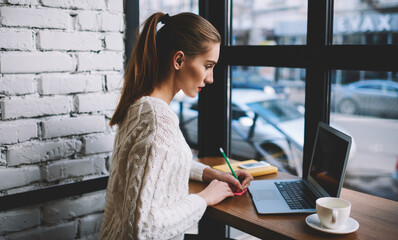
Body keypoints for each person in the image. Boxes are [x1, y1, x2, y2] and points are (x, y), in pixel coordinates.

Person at [99, 12, 253, 240]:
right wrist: (205, 198)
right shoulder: (158, 121)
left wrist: (211, 174)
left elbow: (156, 166)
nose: (210, 78)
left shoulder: (140, 106)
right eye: (208, 66)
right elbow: (143, 228)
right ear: (179, 60)